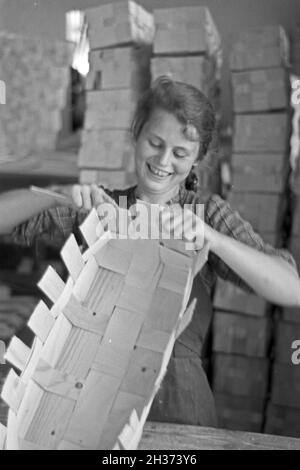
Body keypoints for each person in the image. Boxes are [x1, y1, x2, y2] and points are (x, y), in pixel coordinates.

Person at [0, 77, 300, 427]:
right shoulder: (100, 206)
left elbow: (291, 287)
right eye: (154, 143)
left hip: (174, 397)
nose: (162, 160)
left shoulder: (206, 216)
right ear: (137, 135)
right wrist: (59, 193)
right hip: (85, 391)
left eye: (180, 153)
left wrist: (213, 239)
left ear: (197, 159)